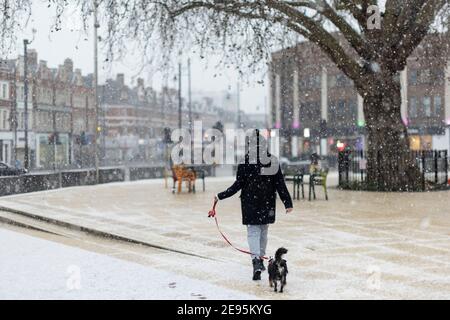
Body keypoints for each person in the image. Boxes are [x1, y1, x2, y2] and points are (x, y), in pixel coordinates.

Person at [214, 130, 293, 281]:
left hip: (250, 202)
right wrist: (287, 203)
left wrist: (220, 196)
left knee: (253, 233)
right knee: (263, 231)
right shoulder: (272, 161)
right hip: (267, 202)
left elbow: (237, 185)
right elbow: (279, 184)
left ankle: (256, 261)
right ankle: (260, 259)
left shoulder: (245, 162)